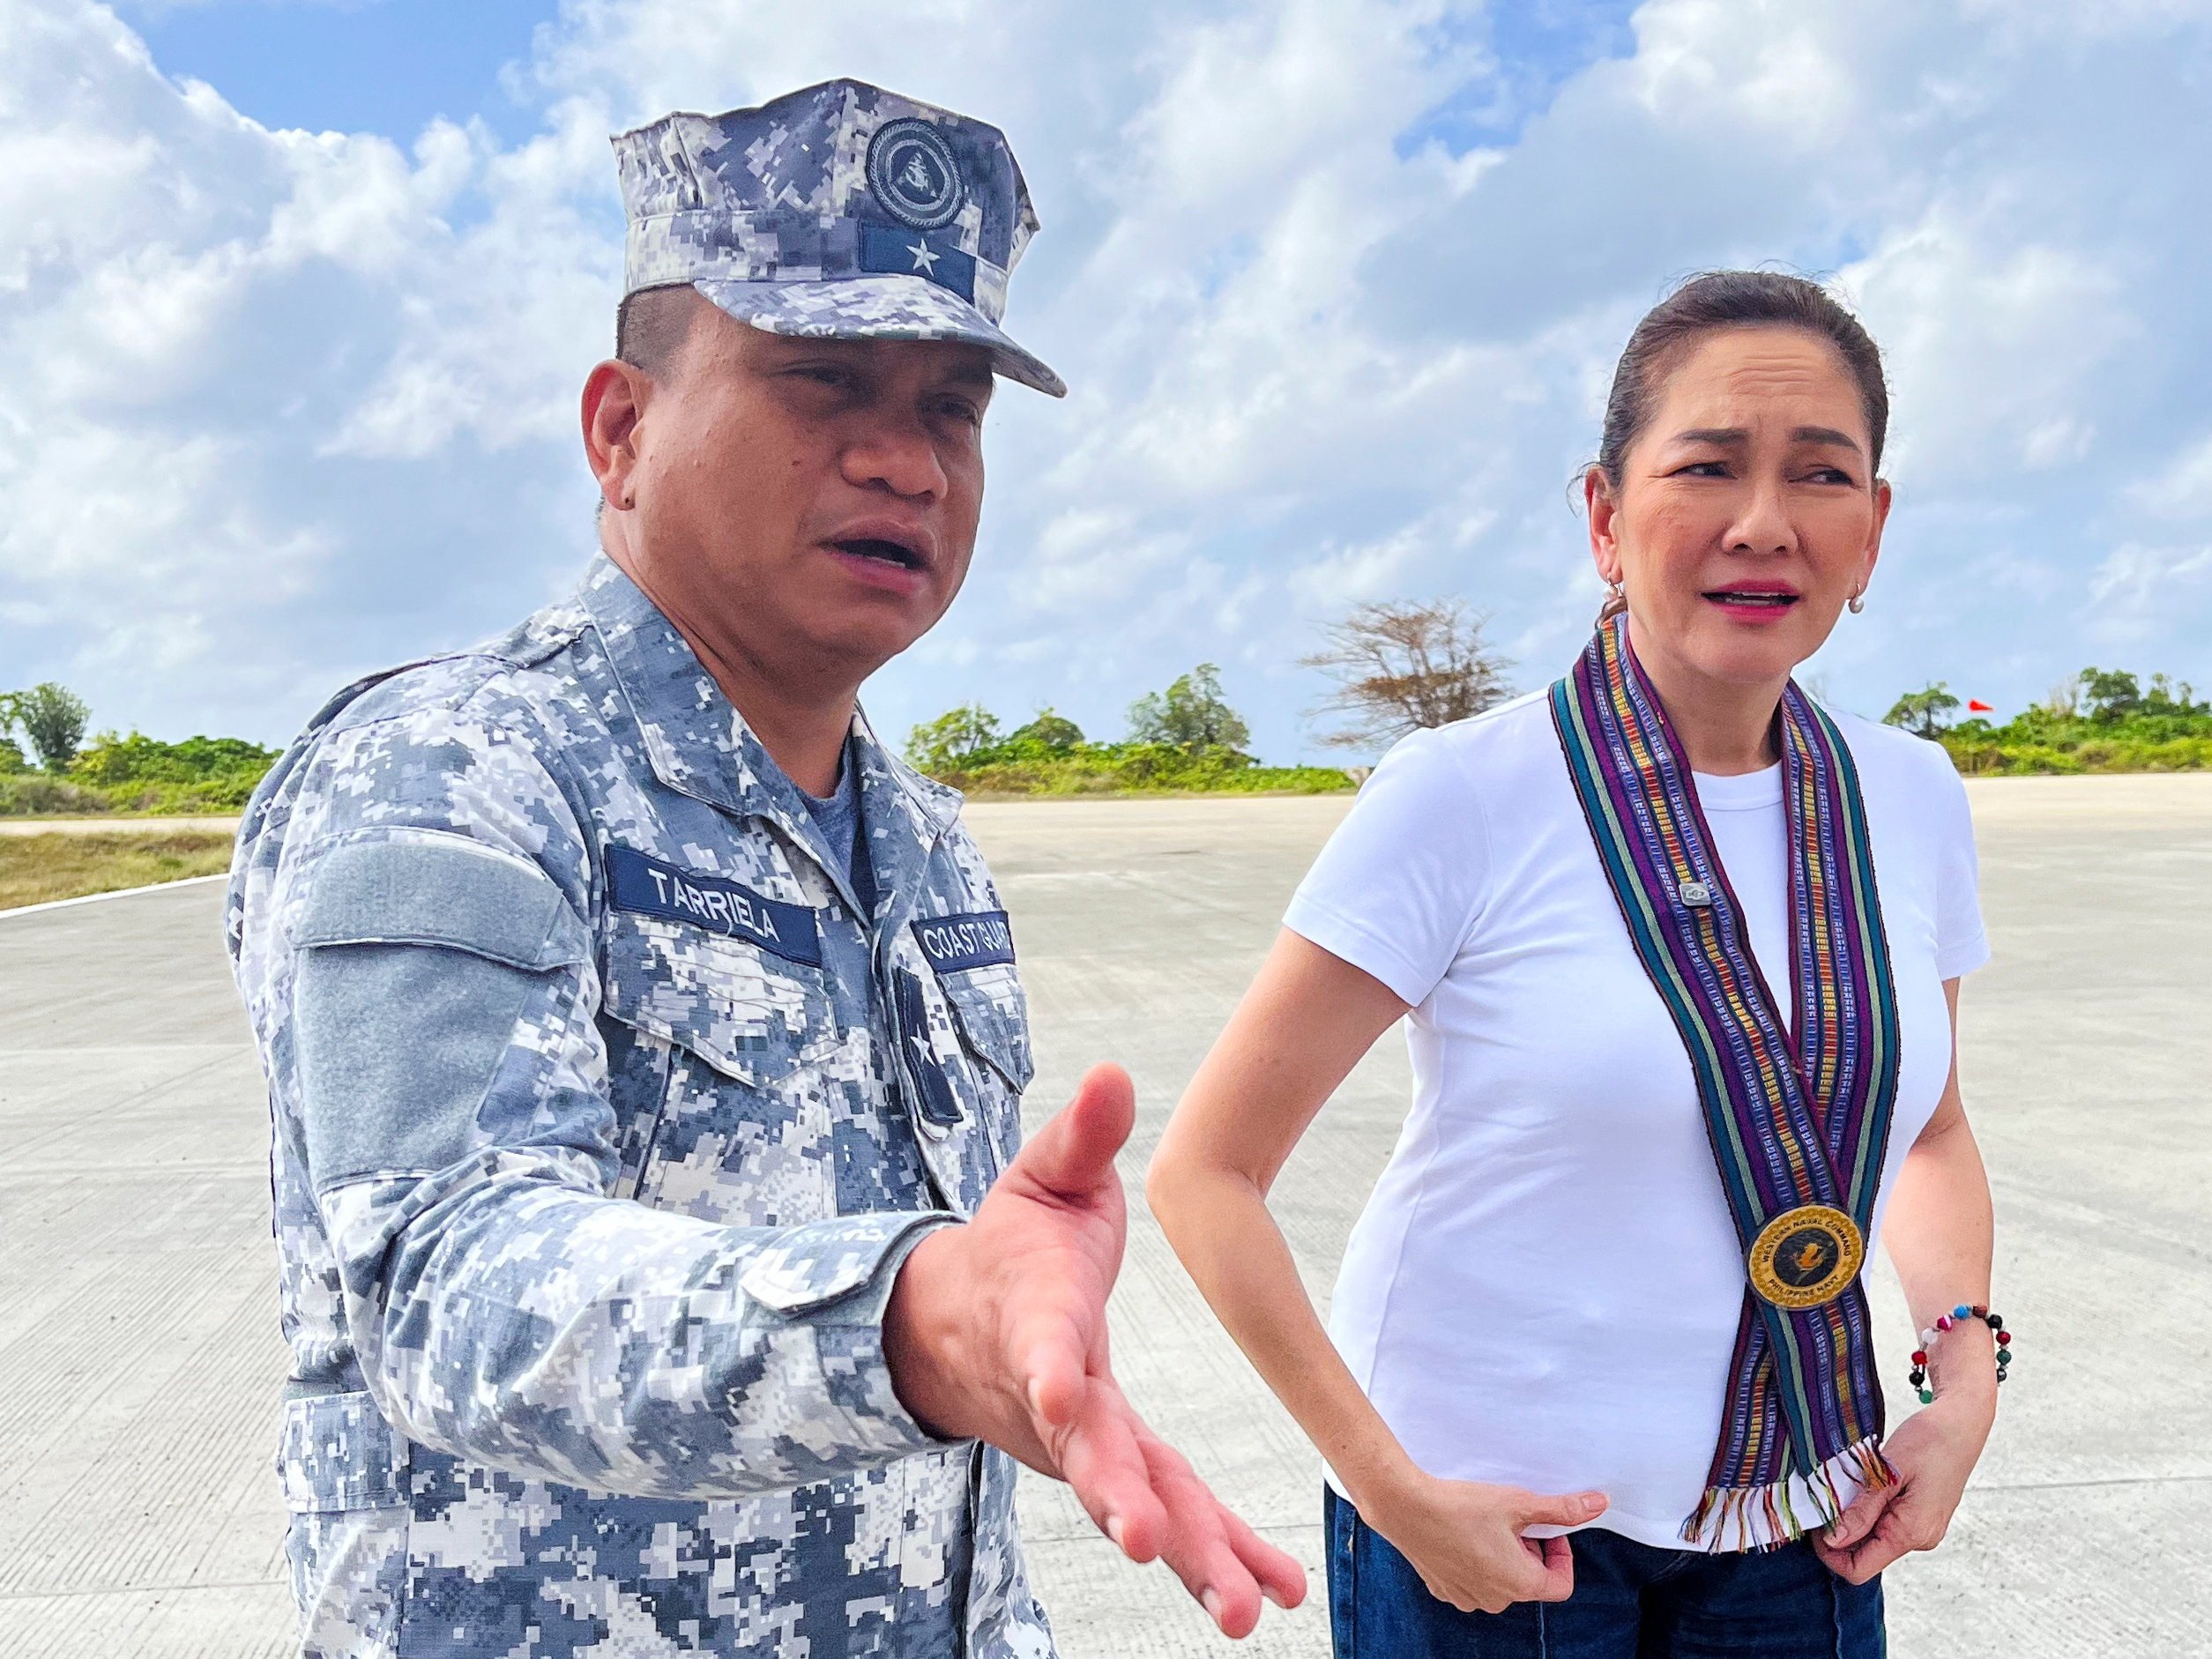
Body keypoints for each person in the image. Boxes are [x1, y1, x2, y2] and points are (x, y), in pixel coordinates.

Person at [227, 78, 1302, 1659]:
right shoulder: (453, 773)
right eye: (821, 382)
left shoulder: (925, 842)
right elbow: (449, 1284)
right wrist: (904, 1321)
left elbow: (968, 1345)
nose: (908, 463)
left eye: (951, 407)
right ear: (620, 429)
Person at [1147, 270, 2003, 1657]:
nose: (1763, 523)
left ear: (1872, 530)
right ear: (1604, 517)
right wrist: (1390, 1489)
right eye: (1707, 466)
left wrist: (1962, 1372)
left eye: (1820, 475)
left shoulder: (1908, 798)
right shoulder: (1463, 793)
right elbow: (1204, 1177)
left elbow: (1935, 1132)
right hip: (1497, 1531)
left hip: (1805, 1512)